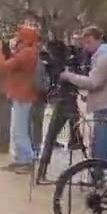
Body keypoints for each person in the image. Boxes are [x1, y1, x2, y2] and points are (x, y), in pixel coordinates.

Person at [59, 25, 107, 166]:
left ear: (98, 40)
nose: (86, 46)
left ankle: (102, 175)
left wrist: (69, 76)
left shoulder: (106, 57)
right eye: (84, 42)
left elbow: (93, 82)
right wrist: (89, 96)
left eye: (89, 42)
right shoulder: (102, 56)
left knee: (100, 146)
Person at [0, 24, 41, 173]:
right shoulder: (28, 52)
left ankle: (26, 160)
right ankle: (20, 159)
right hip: (22, 94)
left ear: (25, 37)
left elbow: (4, 66)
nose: (16, 37)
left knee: (20, 130)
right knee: (19, 129)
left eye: (19, 34)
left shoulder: (26, 53)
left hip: (23, 95)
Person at [35, 39, 85, 184]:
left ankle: (41, 173)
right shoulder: (66, 62)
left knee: (50, 137)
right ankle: (42, 172)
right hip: (67, 100)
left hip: (64, 101)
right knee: (54, 136)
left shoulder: (57, 63)